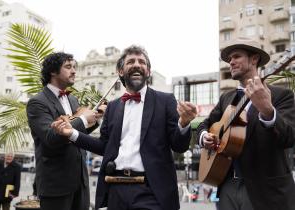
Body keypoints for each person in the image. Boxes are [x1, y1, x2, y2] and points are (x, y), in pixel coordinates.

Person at [52, 45, 197, 210]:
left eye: (142, 61)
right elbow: (104, 146)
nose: (136, 64)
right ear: (120, 71)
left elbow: (179, 145)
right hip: (115, 189)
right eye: (131, 61)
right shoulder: (113, 107)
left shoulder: (165, 101)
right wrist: (72, 133)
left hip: (152, 192)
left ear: (148, 72)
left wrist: (184, 123)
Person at [197, 38, 295, 210]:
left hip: (265, 191)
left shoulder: (282, 96)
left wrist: (268, 111)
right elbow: (204, 124)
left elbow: (289, 137)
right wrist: (205, 137)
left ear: (254, 59)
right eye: (229, 60)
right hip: (227, 186)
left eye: (236, 57)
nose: (231, 62)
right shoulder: (226, 98)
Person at [26, 52, 105, 210]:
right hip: (56, 184)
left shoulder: (72, 99)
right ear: (53, 72)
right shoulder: (37, 102)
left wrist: (95, 118)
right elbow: (50, 137)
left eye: (74, 67)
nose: (74, 71)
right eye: (68, 67)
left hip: (80, 182)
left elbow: (77, 136)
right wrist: (82, 119)